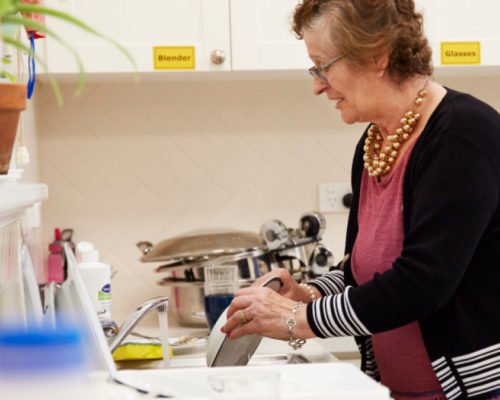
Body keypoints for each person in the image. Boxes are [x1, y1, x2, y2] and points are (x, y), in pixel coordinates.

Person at [221, 1, 500, 399]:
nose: (317, 84)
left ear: (376, 57)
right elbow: (360, 274)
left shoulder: (463, 135)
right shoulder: (374, 144)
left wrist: (299, 319)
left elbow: (423, 283)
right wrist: (308, 293)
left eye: (323, 66)